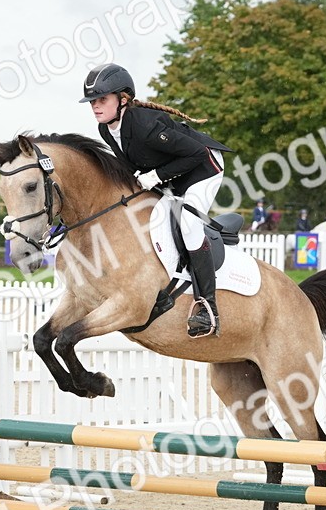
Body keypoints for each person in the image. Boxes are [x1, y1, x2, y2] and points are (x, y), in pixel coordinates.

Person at [81, 63, 232, 338]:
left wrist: (157, 176)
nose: (95, 106)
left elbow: (197, 154)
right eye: (92, 101)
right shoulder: (106, 129)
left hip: (204, 168)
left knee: (188, 225)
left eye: (102, 99)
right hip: (170, 173)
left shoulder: (144, 125)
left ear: (123, 99)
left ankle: (207, 307)